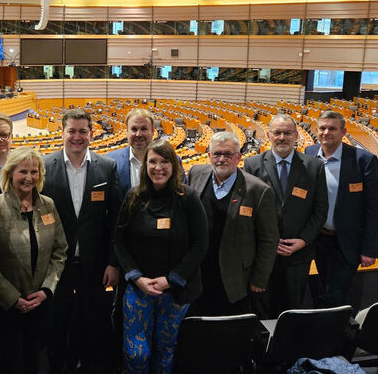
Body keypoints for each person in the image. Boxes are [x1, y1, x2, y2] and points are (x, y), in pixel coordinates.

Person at [114, 139, 208, 374]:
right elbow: (119, 241)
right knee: (136, 353)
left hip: (175, 290)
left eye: (165, 161)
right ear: (145, 165)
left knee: (165, 353)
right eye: (152, 161)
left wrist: (171, 279)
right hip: (139, 288)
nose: (158, 167)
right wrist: (136, 277)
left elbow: (199, 245)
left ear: (174, 165)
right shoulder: (134, 197)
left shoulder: (188, 198)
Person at [42, 108, 122, 374]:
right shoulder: (44, 166)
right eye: (72, 131)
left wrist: (113, 263)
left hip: (95, 265)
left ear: (91, 133)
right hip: (56, 265)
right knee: (57, 324)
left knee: (93, 324)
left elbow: (115, 221)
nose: (77, 137)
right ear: (62, 132)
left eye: (83, 131)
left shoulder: (107, 167)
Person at [0, 147, 68, 374]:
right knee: (11, 364)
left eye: (34, 171)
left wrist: (46, 290)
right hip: (7, 307)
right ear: (10, 173)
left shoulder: (48, 205)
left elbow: (60, 252)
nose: (29, 177)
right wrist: (14, 299)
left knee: (36, 362)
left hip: (42, 304)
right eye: (23, 172)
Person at [244, 115, 328, 318]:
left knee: (292, 311)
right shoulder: (252, 164)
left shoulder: (314, 167)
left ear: (296, 136)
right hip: (263, 254)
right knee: (262, 309)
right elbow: (248, 211)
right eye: (277, 133)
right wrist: (268, 242)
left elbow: (320, 209)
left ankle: (288, 349)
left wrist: (303, 240)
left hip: (298, 255)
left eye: (287, 133)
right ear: (268, 135)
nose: (282, 137)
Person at [187, 131, 279, 316]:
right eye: (217, 154)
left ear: (238, 157)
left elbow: (269, 239)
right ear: (209, 156)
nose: (222, 159)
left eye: (228, 154)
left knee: (228, 331)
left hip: (234, 276)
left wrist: (259, 279)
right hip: (198, 272)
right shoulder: (196, 173)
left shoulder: (258, 190)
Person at [305, 110, 378, 307]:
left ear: (343, 132)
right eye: (322, 128)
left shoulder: (363, 160)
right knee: (322, 289)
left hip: (347, 241)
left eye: (332, 128)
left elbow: (375, 207)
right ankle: (325, 328)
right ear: (316, 130)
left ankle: (335, 333)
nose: (326, 132)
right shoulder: (310, 153)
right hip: (318, 239)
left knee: (335, 295)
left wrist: (371, 249)